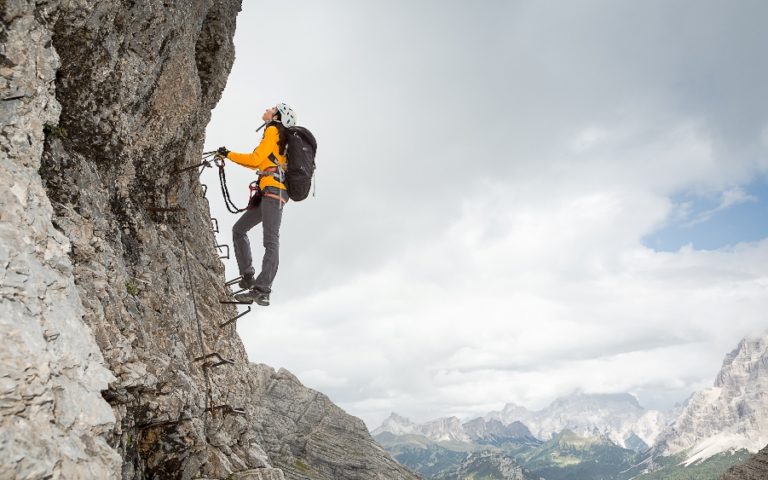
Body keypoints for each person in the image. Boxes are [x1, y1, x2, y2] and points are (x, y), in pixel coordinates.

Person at [216, 103, 297, 306]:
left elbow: (255, 160)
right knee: (239, 229)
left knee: (270, 240)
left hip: (274, 192)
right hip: (269, 192)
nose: (267, 109)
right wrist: (229, 156)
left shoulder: (272, 130)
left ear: (278, 116)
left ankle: (263, 290)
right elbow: (260, 162)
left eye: (272, 108)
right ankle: (248, 276)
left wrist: (228, 154)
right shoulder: (276, 134)